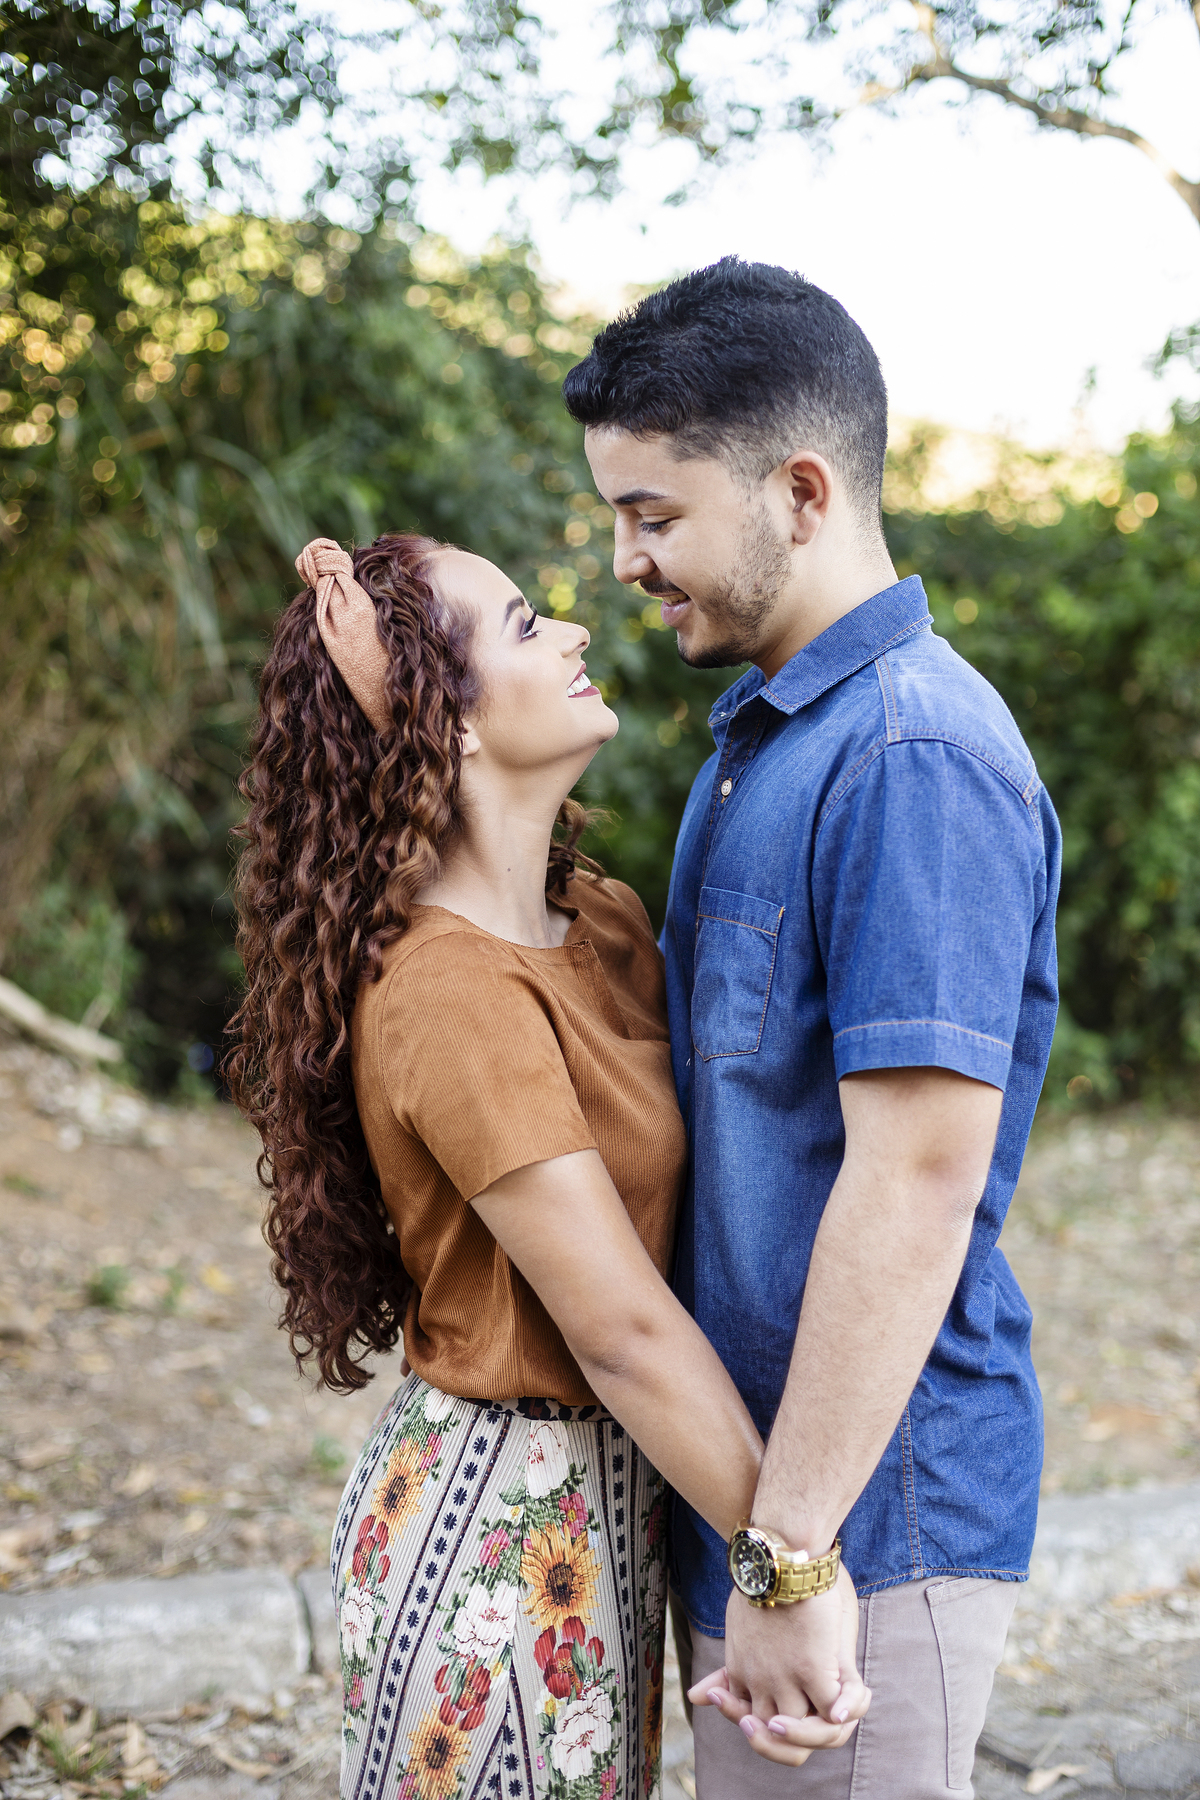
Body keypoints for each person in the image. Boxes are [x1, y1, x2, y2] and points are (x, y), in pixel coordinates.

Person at [225, 532, 865, 1800]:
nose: (574, 631)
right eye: (524, 624)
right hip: (497, 1525)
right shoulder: (446, 990)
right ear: (449, 723)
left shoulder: (605, 922)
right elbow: (619, 1327)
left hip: (615, 1506)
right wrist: (794, 1570)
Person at [563, 258, 1062, 1799]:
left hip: (861, 1523)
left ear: (799, 490)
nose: (628, 562)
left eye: (655, 515)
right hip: (770, 1505)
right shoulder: (772, 739)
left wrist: (790, 1553)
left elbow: (915, 1178)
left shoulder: (911, 752)